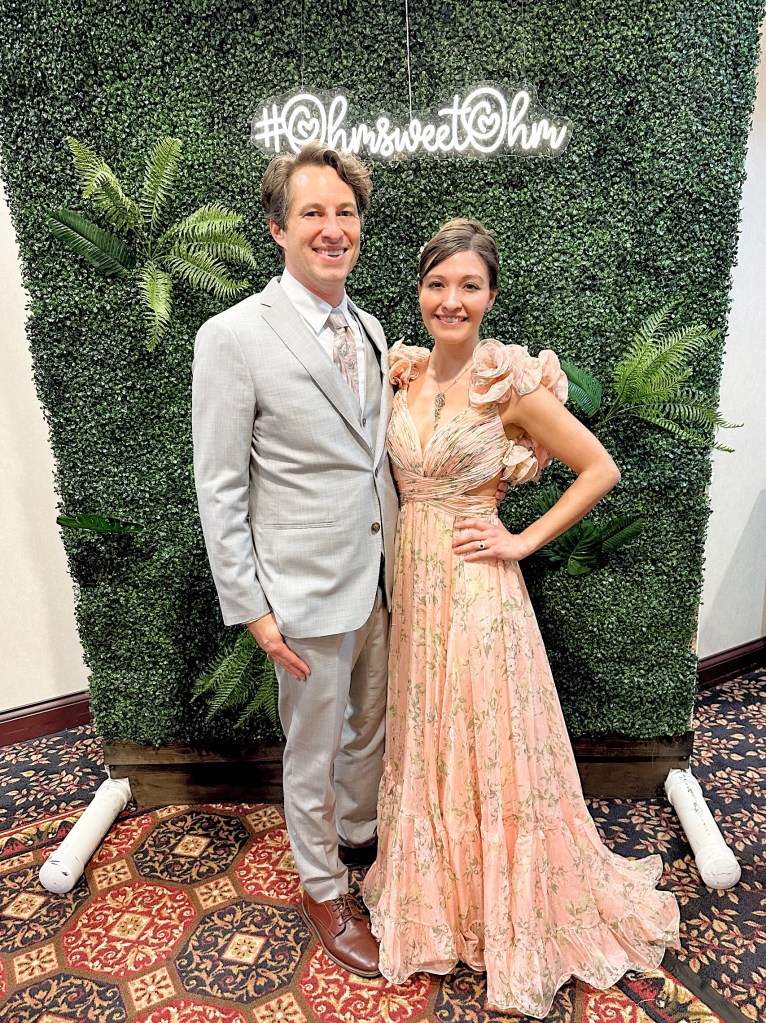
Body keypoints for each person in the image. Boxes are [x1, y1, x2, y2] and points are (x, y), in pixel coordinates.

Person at [362, 219, 680, 1017]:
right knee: (433, 736)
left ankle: (510, 911)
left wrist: (521, 539)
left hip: (478, 590)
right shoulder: (404, 371)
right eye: (438, 284)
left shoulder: (510, 383)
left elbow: (598, 467)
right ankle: (446, 904)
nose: (451, 300)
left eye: (469, 286)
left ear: (491, 295)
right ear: (420, 290)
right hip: (415, 588)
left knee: (488, 742)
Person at [192, 142, 398, 978]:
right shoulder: (232, 336)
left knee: (370, 728)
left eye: (345, 212)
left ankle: (357, 842)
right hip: (301, 596)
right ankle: (323, 888)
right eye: (313, 212)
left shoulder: (372, 329)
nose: (333, 228)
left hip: (380, 581)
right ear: (278, 228)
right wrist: (252, 606)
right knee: (311, 749)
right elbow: (219, 485)